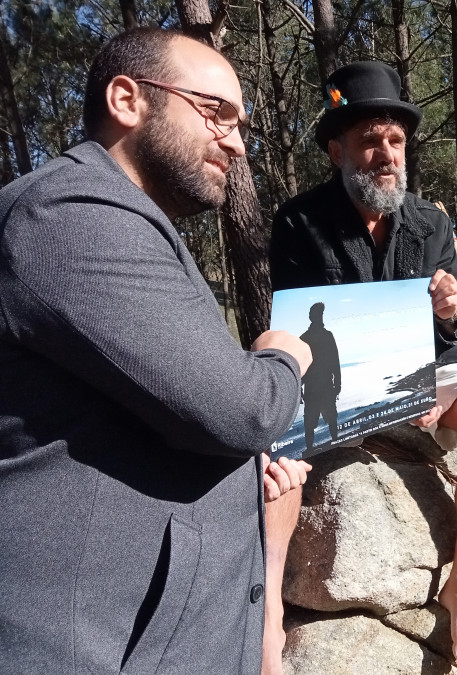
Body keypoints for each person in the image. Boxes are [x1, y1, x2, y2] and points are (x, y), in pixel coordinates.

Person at [0, 28, 311, 674]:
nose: (235, 140)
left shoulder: (123, 222)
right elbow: (244, 408)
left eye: (242, 125)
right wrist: (281, 356)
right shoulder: (70, 212)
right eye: (215, 112)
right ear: (126, 99)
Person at [269, 61, 457, 664]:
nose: (386, 154)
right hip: (332, 370)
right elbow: (300, 328)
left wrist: (449, 310)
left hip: (428, 364)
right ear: (337, 150)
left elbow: (454, 331)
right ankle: (270, 612)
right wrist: (393, 390)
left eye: (396, 141)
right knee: (274, 442)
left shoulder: (432, 222)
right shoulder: (298, 222)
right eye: (369, 141)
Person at [300, 302, 342, 451]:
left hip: (323, 385)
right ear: (312, 317)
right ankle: (311, 448)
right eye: (317, 314)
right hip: (314, 387)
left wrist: (338, 383)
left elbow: (334, 361)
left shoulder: (308, 337)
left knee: (330, 418)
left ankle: (335, 441)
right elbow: (300, 366)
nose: (319, 317)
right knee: (311, 421)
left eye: (319, 314)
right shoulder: (305, 338)